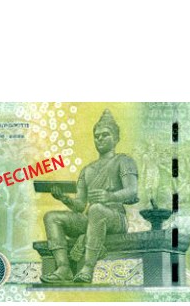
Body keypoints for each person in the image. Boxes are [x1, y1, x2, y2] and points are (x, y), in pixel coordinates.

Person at [42, 109, 138, 283]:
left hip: (116, 217)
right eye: (96, 136)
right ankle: (63, 268)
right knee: (51, 217)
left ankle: (88, 267)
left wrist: (109, 196)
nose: (100, 139)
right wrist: (64, 198)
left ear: (116, 138)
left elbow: (132, 191)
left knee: (96, 209)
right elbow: (80, 205)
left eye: (105, 135)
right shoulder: (87, 170)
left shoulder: (123, 161)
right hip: (92, 217)